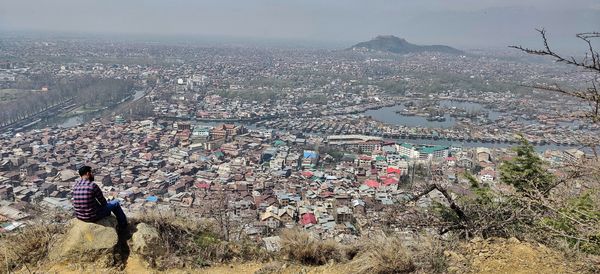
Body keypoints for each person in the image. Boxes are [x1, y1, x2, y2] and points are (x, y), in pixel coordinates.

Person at [72, 165, 127, 231]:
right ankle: (123, 226)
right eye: (92, 173)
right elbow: (103, 202)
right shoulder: (92, 185)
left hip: (80, 216)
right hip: (92, 217)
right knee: (115, 203)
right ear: (87, 173)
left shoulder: (75, 186)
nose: (93, 175)